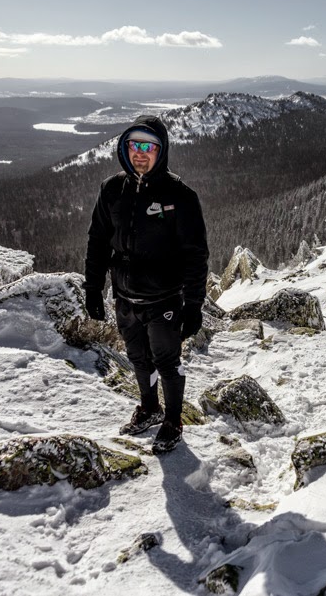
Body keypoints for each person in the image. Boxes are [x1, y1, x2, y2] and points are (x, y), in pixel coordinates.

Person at [83, 115, 209, 454]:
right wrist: (93, 288)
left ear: (161, 151)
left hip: (165, 299)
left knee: (167, 361)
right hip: (124, 297)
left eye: (148, 146)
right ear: (125, 149)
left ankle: (172, 420)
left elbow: (196, 254)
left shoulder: (180, 195)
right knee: (139, 358)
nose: (140, 153)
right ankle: (149, 408)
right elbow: (98, 241)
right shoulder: (112, 190)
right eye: (133, 145)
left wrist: (194, 306)